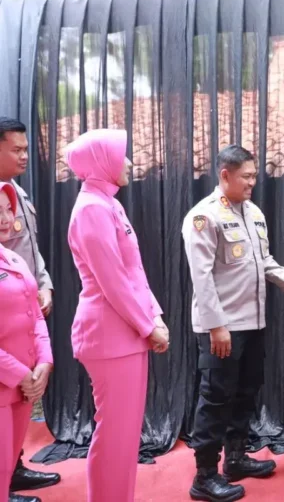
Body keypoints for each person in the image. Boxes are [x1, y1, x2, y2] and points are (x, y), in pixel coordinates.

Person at [182, 145, 284, 502]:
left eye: (254, 176)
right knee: (215, 398)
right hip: (222, 327)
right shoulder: (204, 216)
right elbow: (202, 277)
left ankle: (235, 458)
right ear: (225, 175)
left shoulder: (253, 212)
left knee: (246, 391)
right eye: (246, 176)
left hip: (253, 322)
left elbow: (263, 261)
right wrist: (216, 326)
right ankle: (205, 476)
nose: (253, 182)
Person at [65, 129, 170, 502]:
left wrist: (154, 316)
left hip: (125, 334)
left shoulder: (108, 203)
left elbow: (133, 272)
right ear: (101, 161)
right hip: (109, 336)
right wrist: (147, 325)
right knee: (114, 436)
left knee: (125, 437)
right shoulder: (92, 209)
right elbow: (112, 281)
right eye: (120, 154)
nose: (128, 162)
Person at [0, 117, 60, 502]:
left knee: (19, 406)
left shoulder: (17, 193)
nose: (24, 156)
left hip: (23, 299)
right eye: (16, 150)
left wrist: (45, 284)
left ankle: (13, 470)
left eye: (26, 149)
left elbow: (29, 251)